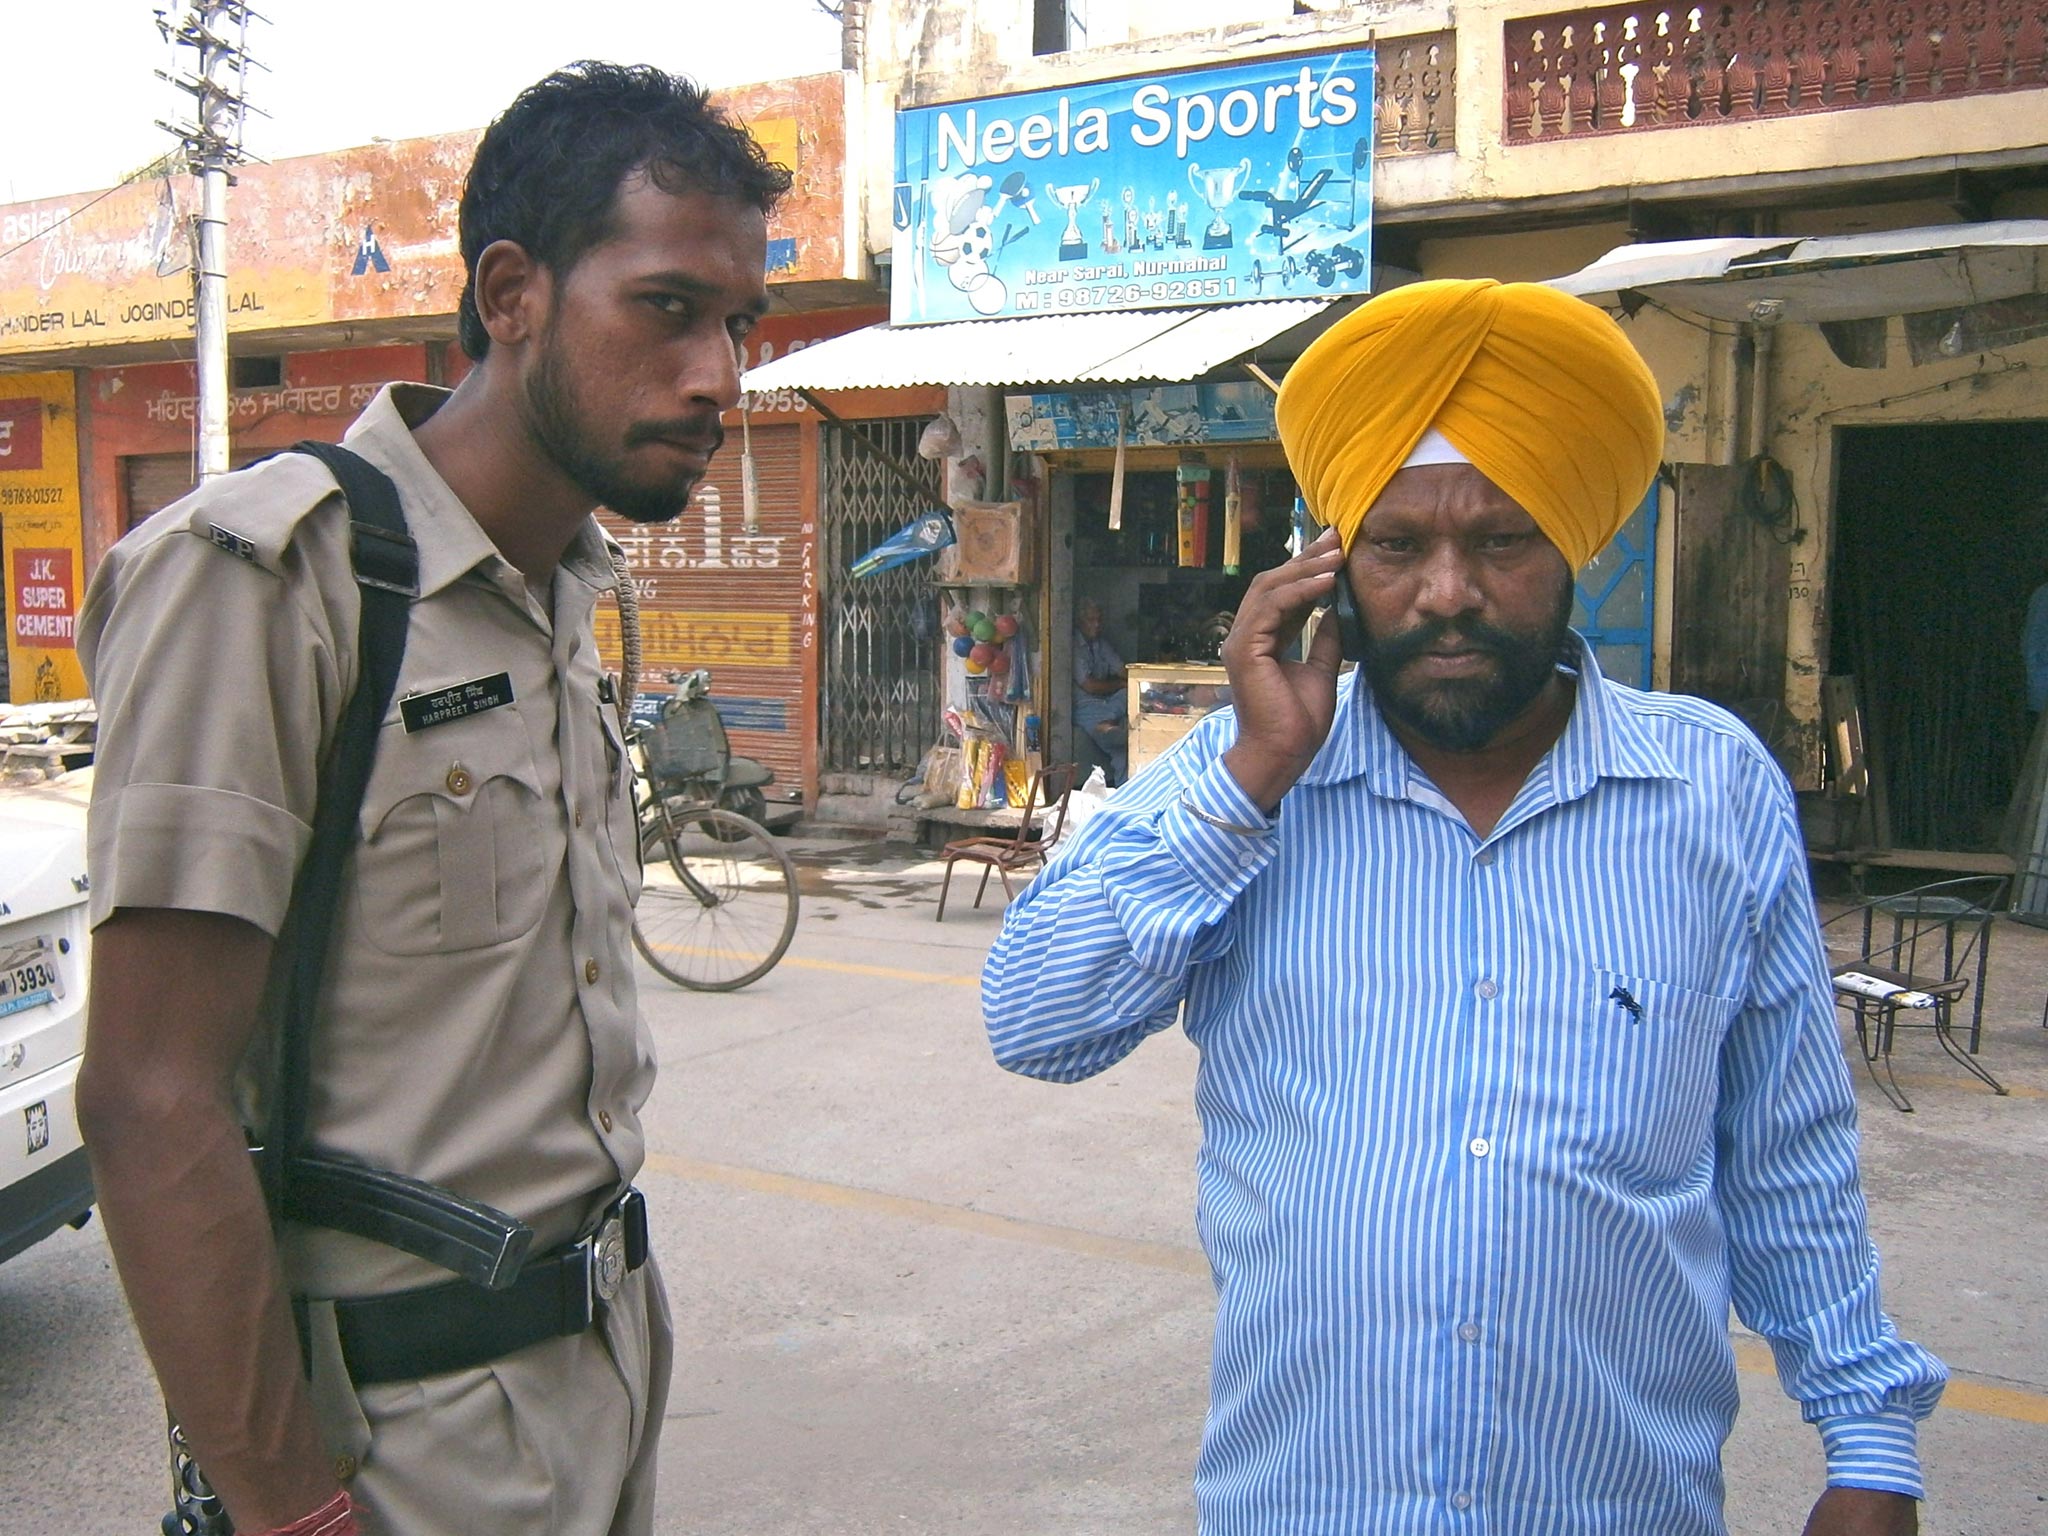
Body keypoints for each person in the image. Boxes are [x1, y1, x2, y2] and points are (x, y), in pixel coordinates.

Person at [983, 279, 1943, 1536]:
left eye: (1499, 542)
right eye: (1394, 547)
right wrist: (1251, 775)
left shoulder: (1707, 789)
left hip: (1617, 1507)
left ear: (1572, 549)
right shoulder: (1242, 783)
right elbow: (1036, 1026)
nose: (1446, 591)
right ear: (1332, 567)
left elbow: (1785, 1155)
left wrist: (1867, 1446)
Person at [76, 63, 786, 1536]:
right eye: (666, 308)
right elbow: (152, 1096)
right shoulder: (276, 578)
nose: (720, 374)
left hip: (599, 1385)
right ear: (512, 293)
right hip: (389, 1453)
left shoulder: (571, 591)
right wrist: (292, 1511)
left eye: (738, 324)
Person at [1073, 597, 1128, 783]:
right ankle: (1108, 730)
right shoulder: (1073, 645)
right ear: (1080, 621)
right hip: (1086, 707)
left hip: (1108, 703)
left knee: (1129, 695)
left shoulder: (1100, 644)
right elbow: (1089, 685)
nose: (1096, 625)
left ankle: (1112, 728)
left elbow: (1122, 670)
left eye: (1099, 620)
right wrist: (1121, 684)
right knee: (1121, 749)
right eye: (1091, 620)